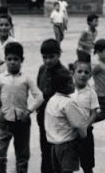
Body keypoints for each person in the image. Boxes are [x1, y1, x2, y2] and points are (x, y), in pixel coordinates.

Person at [0, 41, 43, 173]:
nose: (12, 62)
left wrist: (29, 111)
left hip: (22, 121)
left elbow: (39, 97)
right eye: (9, 59)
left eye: (16, 59)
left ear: (22, 60)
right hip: (4, 121)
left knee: (22, 155)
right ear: (5, 60)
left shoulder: (26, 78)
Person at [45, 68, 89, 173]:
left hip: (54, 144)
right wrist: (83, 137)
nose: (73, 84)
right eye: (70, 83)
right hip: (67, 145)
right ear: (62, 87)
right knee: (68, 170)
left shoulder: (52, 100)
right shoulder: (68, 103)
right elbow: (79, 124)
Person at [37, 38, 71, 173]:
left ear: (59, 55)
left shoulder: (64, 73)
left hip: (58, 121)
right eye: (44, 57)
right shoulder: (42, 69)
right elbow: (39, 91)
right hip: (43, 119)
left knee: (57, 154)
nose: (48, 61)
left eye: (51, 57)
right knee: (45, 152)